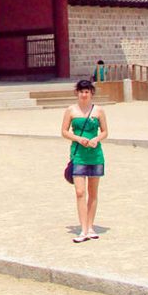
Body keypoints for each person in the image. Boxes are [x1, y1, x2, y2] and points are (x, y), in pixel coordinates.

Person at [62, 79, 108, 243]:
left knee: (93, 192)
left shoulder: (99, 111)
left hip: (95, 154)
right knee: (80, 192)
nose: (84, 94)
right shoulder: (71, 110)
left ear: (91, 93)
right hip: (78, 154)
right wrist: (78, 138)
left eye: (87, 91)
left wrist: (96, 139)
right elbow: (64, 131)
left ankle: (90, 226)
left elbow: (105, 132)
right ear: (77, 93)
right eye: (81, 91)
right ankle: (83, 229)